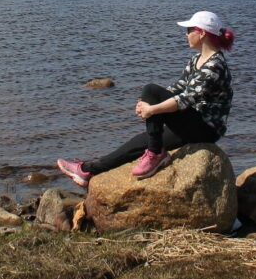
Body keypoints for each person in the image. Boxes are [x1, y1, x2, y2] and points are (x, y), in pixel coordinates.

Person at [57, 10, 234, 187]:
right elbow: (177, 88)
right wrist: (147, 104)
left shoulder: (214, 66)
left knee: (150, 90)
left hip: (206, 128)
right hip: (191, 121)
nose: (186, 34)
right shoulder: (197, 60)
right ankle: (88, 170)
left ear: (201, 33)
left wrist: (152, 109)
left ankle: (156, 154)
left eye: (189, 30)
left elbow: (185, 99)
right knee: (142, 140)